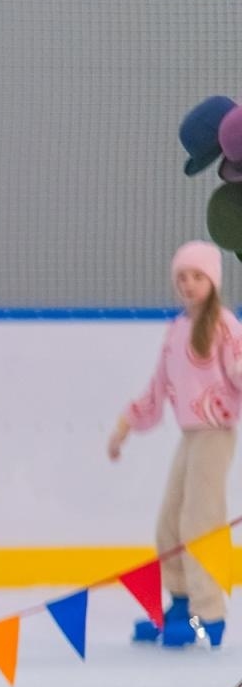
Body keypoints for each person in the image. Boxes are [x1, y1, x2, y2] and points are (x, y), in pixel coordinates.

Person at [109, 240, 241, 648]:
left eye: (196, 276)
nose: (187, 284)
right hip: (190, 434)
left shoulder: (223, 325)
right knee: (169, 522)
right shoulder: (177, 328)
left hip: (215, 432)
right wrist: (125, 425)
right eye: (181, 277)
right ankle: (182, 604)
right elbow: (158, 387)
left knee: (199, 521)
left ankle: (209, 614)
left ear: (212, 281)